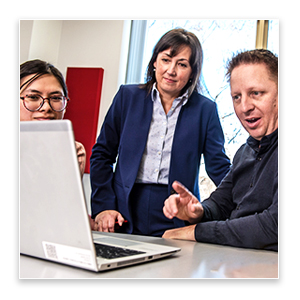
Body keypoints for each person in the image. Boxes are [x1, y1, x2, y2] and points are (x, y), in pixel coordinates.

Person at [90, 28, 231, 236]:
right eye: (166, 60)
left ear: (192, 71)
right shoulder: (127, 97)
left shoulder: (205, 110)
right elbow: (102, 155)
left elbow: (218, 167)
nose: (171, 70)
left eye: (181, 64)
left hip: (176, 212)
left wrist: (245, 201)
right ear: (155, 62)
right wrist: (103, 206)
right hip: (124, 208)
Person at [162, 49, 278, 251]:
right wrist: (197, 211)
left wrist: (196, 232)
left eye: (256, 93)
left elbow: (275, 225)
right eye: (236, 97)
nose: (244, 107)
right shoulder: (245, 151)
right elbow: (221, 203)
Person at [20, 59, 86, 178]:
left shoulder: (71, 151)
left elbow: (66, 196)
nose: (46, 107)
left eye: (56, 98)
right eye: (33, 97)